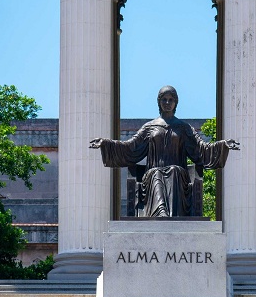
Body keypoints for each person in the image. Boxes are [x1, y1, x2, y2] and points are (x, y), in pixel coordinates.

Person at [90, 85, 239, 218]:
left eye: (171, 100)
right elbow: (130, 147)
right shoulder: (149, 127)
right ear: (159, 102)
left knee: (174, 170)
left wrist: (223, 145)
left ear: (176, 103)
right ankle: (160, 212)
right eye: (164, 100)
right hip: (152, 174)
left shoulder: (184, 128)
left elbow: (201, 149)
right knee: (156, 173)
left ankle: (171, 215)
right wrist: (106, 144)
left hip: (178, 176)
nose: (167, 103)